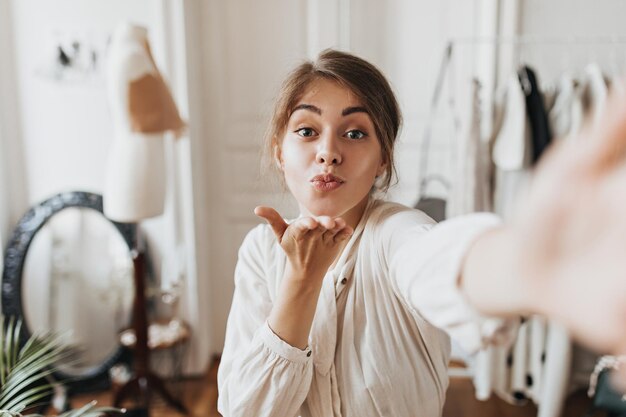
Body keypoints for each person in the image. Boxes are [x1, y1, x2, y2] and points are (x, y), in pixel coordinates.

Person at [217, 49, 626, 417]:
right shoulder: (259, 251)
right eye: (307, 130)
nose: (328, 151)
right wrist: (300, 284)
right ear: (278, 150)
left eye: (355, 132)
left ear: (383, 159)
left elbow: (438, 260)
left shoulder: (398, 233)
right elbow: (244, 409)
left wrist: (529, 266)